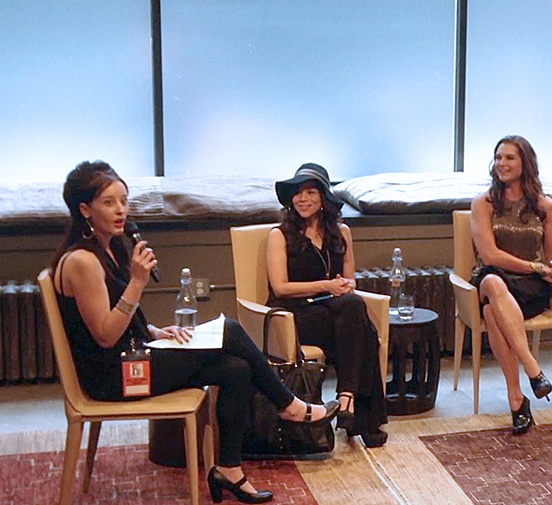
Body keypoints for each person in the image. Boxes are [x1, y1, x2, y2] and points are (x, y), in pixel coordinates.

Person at [53, 161, 338, 504]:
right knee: (229, 331)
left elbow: (120, 321)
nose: (121, 211)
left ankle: (228, 470)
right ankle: (289, 405)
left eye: (124, 201)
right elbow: (104, 336)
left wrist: (157, 330)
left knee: (238, 369)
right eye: (109, 203)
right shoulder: (82, 261)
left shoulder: (110, 248)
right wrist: (138, 283)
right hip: (114, 377)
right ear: (85, 209)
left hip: (134, 357)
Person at [266, 163, 388, 448]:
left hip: (335, 313)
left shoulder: (341, 232)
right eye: (297, 194)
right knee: (363, 329)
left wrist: (343, 287)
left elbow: (349, 280)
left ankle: (347, 401)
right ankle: (360, 414)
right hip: (294, 316)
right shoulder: (279, 235)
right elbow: (280, 287)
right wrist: (328, 286)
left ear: (323, 198)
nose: (303, 199)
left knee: (353, 310)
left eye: (310, 192)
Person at [470, 135, 552, 435]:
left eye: (509, 157)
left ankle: (516, 398)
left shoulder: (545, 205)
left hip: (530, 287)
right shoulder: (483, 203)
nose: (501, 163)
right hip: (493, 276)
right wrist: (534, 266)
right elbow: (490, 255)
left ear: (525, 163)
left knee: (492, 314)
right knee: (492, 282)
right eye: (498, 157)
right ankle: (532, 369)